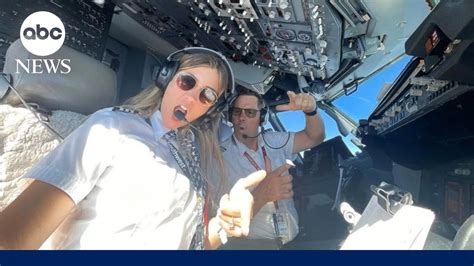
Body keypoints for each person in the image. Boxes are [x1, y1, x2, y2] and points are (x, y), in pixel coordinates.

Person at [0, 48, 266, 250]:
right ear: (166, 78)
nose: (191, 98)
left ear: (212, 109)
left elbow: (194, 243)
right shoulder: (112, 128)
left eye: (207, 95)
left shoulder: (192, 156)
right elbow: (12, 238)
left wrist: (222, 226)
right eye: (187, 82)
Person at [219, 86, 325, 249]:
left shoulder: (274, 140)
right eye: (237, 112)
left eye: (250, 113)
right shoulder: (220, 156)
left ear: (262, 118)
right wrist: (263, 194)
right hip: (253, 246)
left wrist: (311, 111)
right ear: (230, 117)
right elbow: (223, 219)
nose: (241, 117)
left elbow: (314, 138)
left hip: (292, 241)